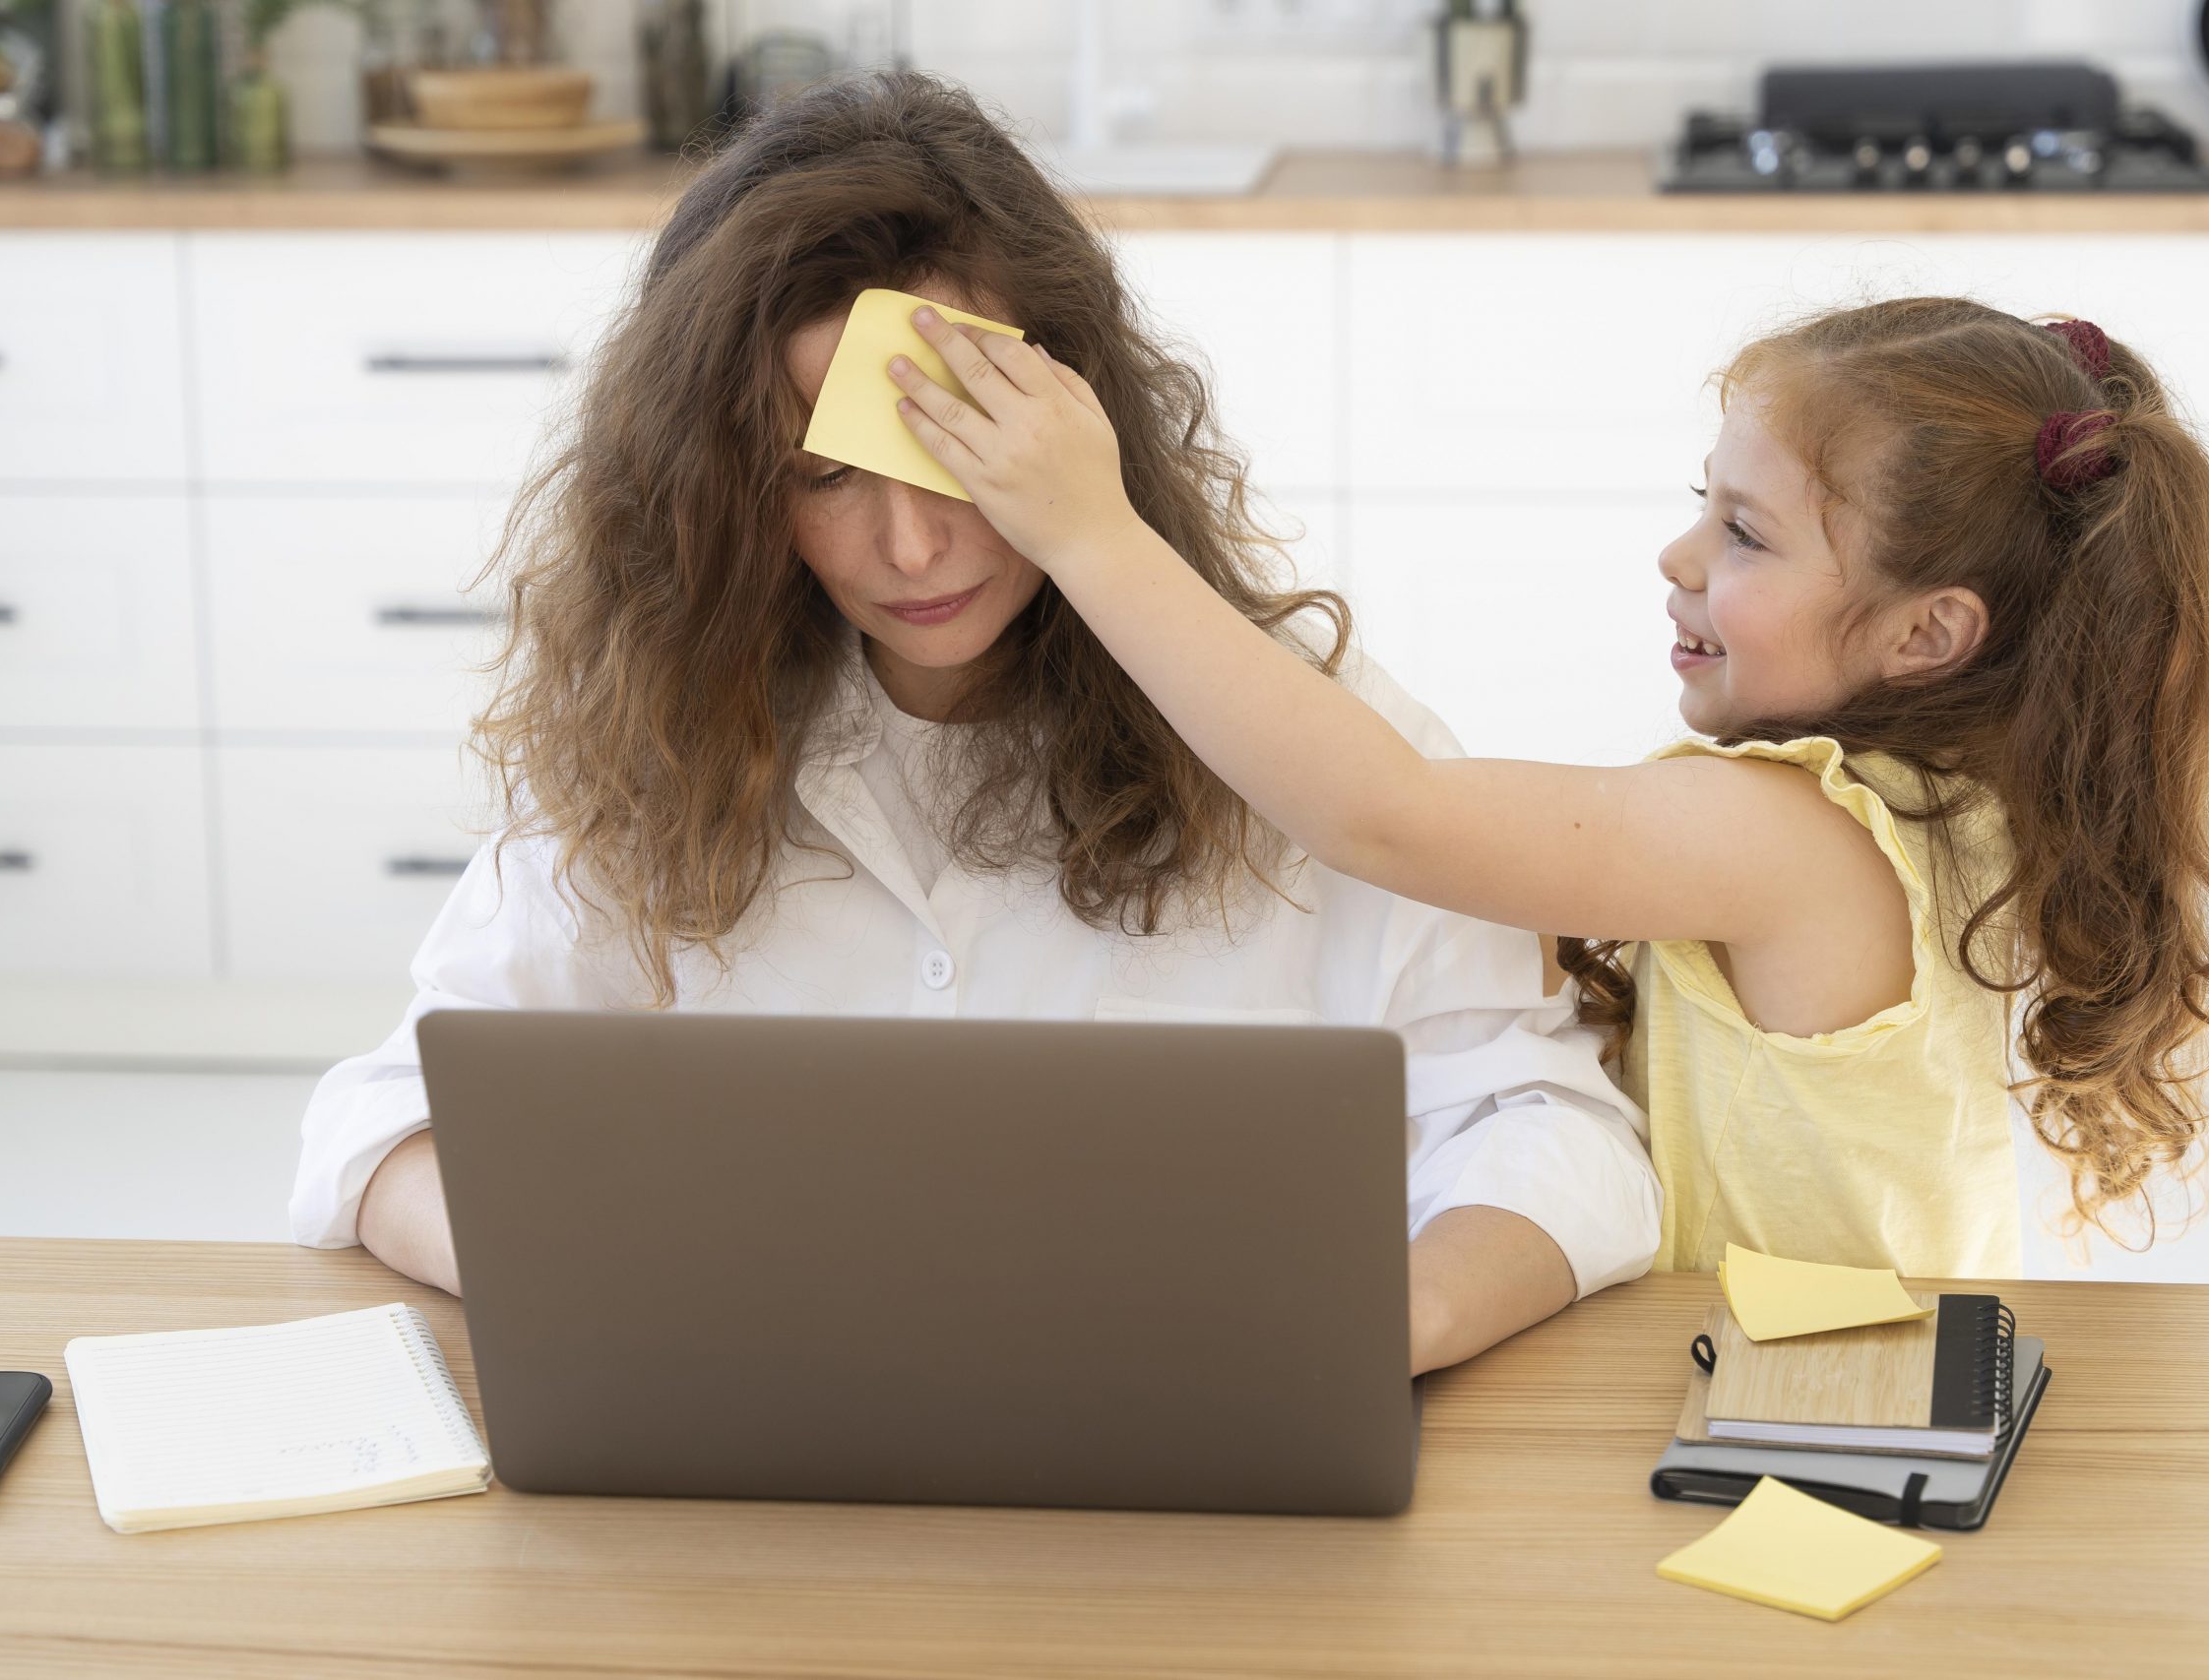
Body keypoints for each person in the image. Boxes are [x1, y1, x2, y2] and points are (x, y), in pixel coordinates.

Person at [288, 73, 1662, 1376]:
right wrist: (609, 1285)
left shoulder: (1294, 729)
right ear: (720, 488)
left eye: (958, 451)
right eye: (825, 476)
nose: (911, 544)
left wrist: (1382, 1325)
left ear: (1076, 420)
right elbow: (386, 1124)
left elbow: (1551, 1130)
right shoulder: (667, 729)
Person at [890, 293, 2209, 1277]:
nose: (1681, 557)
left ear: (1927, 634)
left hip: (1810, 1409)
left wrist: (1086, 531)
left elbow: (1385, 815)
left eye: (1745, 532)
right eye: (1703, 503)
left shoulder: (1789, 837)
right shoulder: (1955, 800)